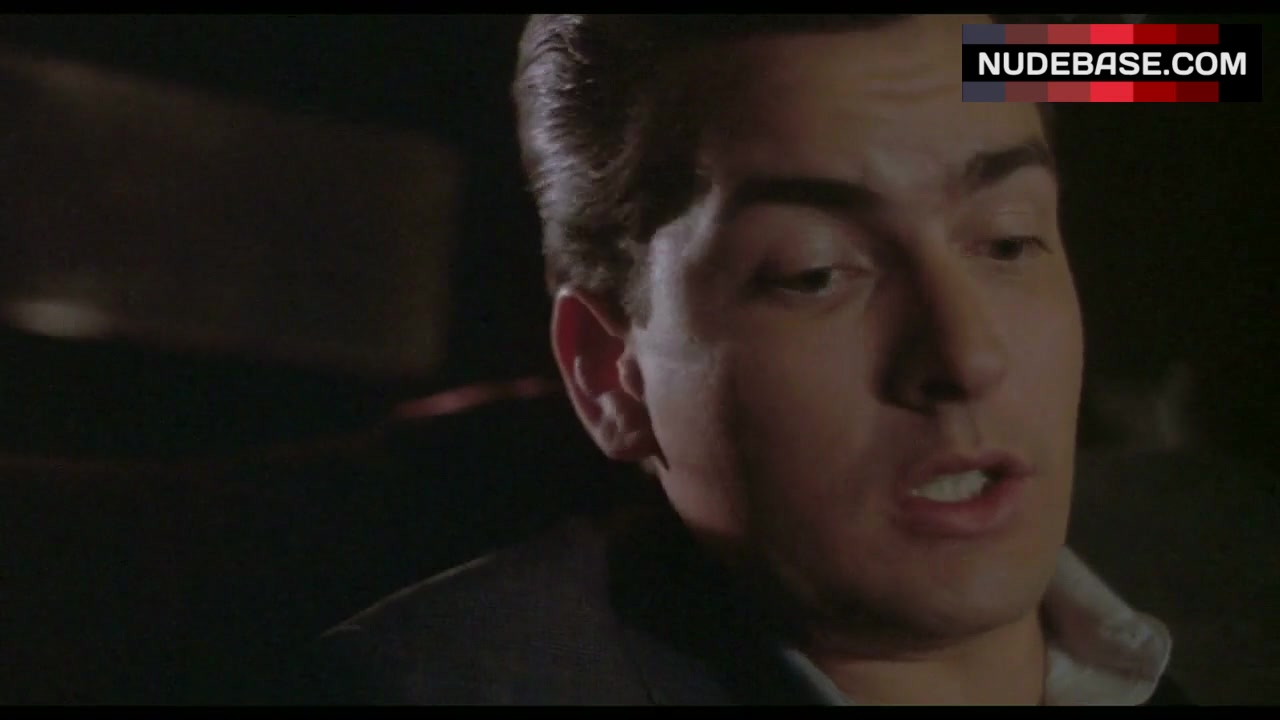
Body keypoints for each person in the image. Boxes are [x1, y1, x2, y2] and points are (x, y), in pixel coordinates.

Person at [296, 14, 1192, 705]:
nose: (967, 355)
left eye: (1008, 240)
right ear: (611, 374)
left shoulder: (1231, 578)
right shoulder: (441, 686)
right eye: (813, 273)